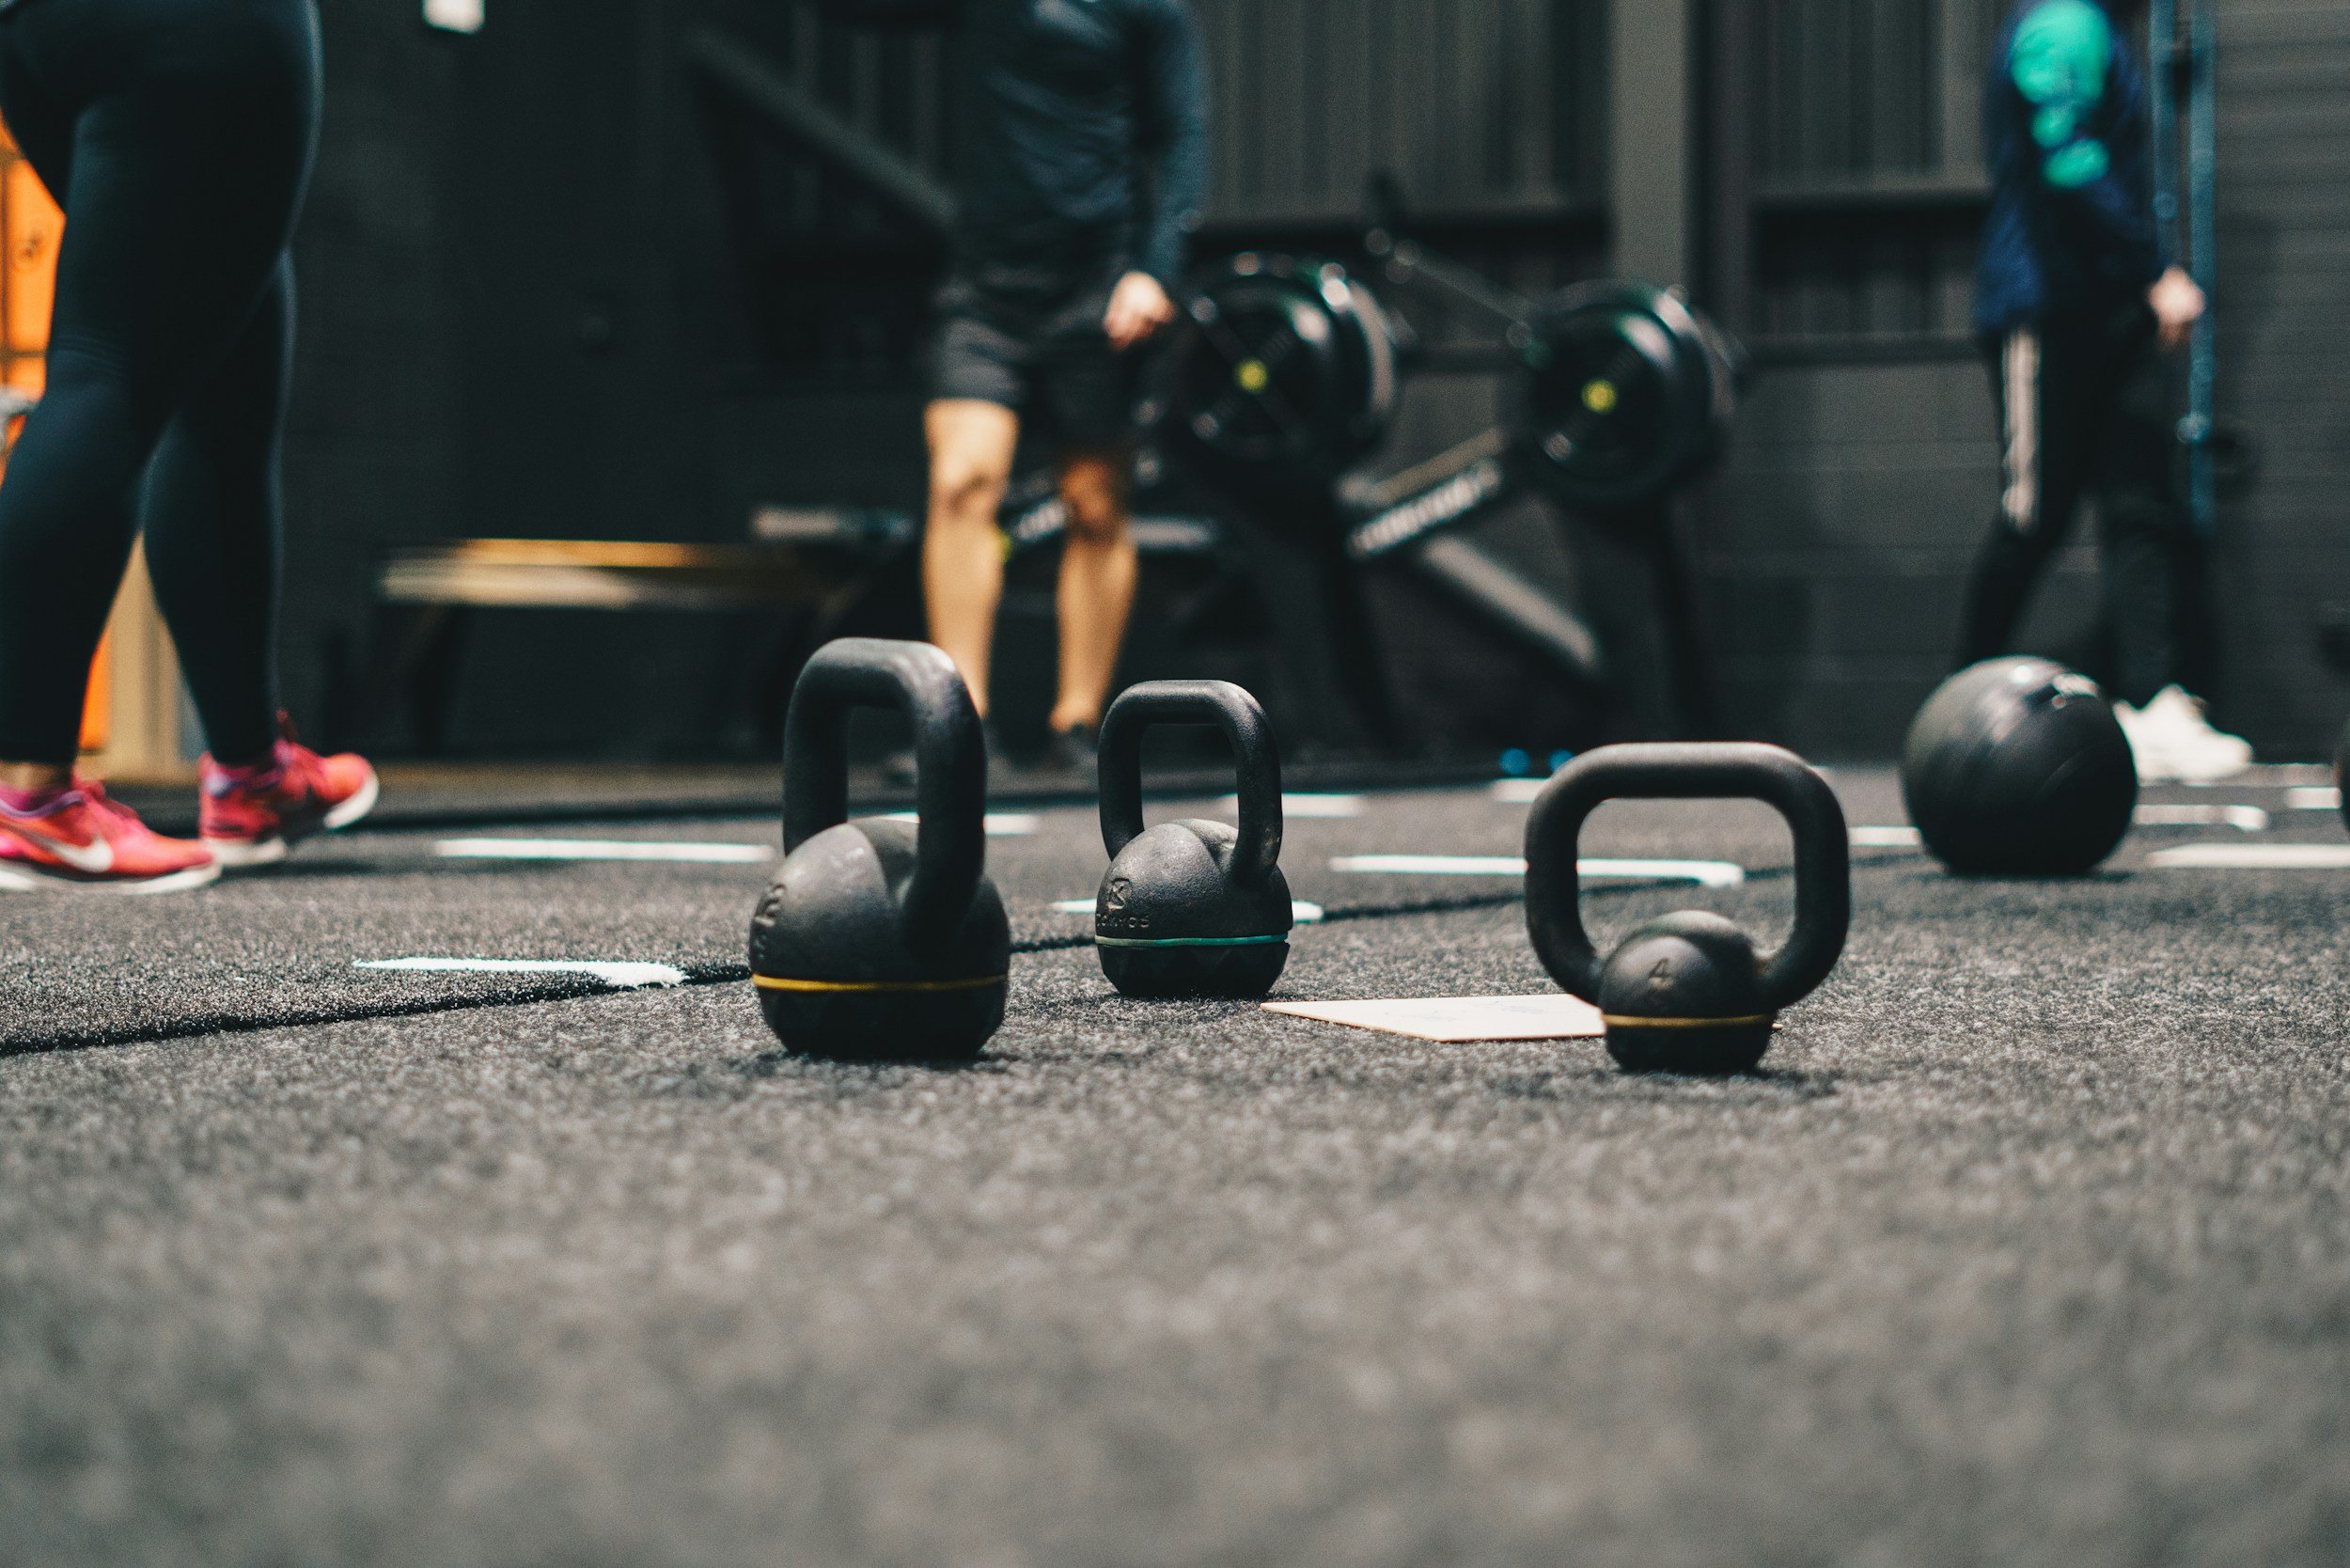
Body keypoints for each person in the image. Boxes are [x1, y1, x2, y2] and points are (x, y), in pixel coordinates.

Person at [0, 0, 375, 893]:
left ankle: (250, 777)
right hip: (195, 24)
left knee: (219, 364)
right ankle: (31, 799)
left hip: (33, 32)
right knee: (109, 369)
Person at [827, 0, 1209, 774]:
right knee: (963, 482)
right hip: (985, 286)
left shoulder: (1150, 9)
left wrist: (1154, 270)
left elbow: (1182, 135)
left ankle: (1077, 724)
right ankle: (958, 724)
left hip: (1098, 283)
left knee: (1095, 504)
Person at [1960, 0, 2251, 782]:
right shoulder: (2062, 24)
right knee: (2034, 517)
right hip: (2047, 313)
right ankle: (1957, 705)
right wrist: (2155, 270)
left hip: (2108, 313)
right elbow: (2067, 157)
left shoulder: (2097, 30)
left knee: (2140, 508)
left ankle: (2151, 701)